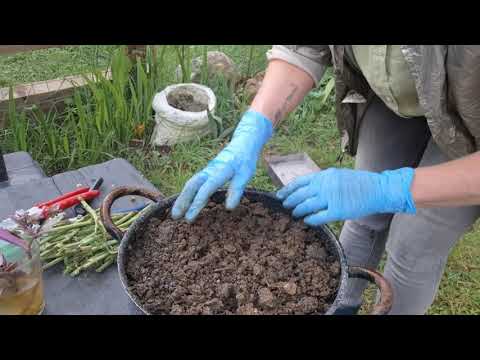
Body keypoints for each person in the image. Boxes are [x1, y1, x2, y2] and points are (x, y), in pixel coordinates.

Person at [171, 45, 480, 315]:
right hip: (395, 101)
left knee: (414, 245)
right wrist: (252, 129)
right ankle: (341, 306)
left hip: (472, 125)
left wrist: (392, 188)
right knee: (362, 217)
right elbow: (303, 48)